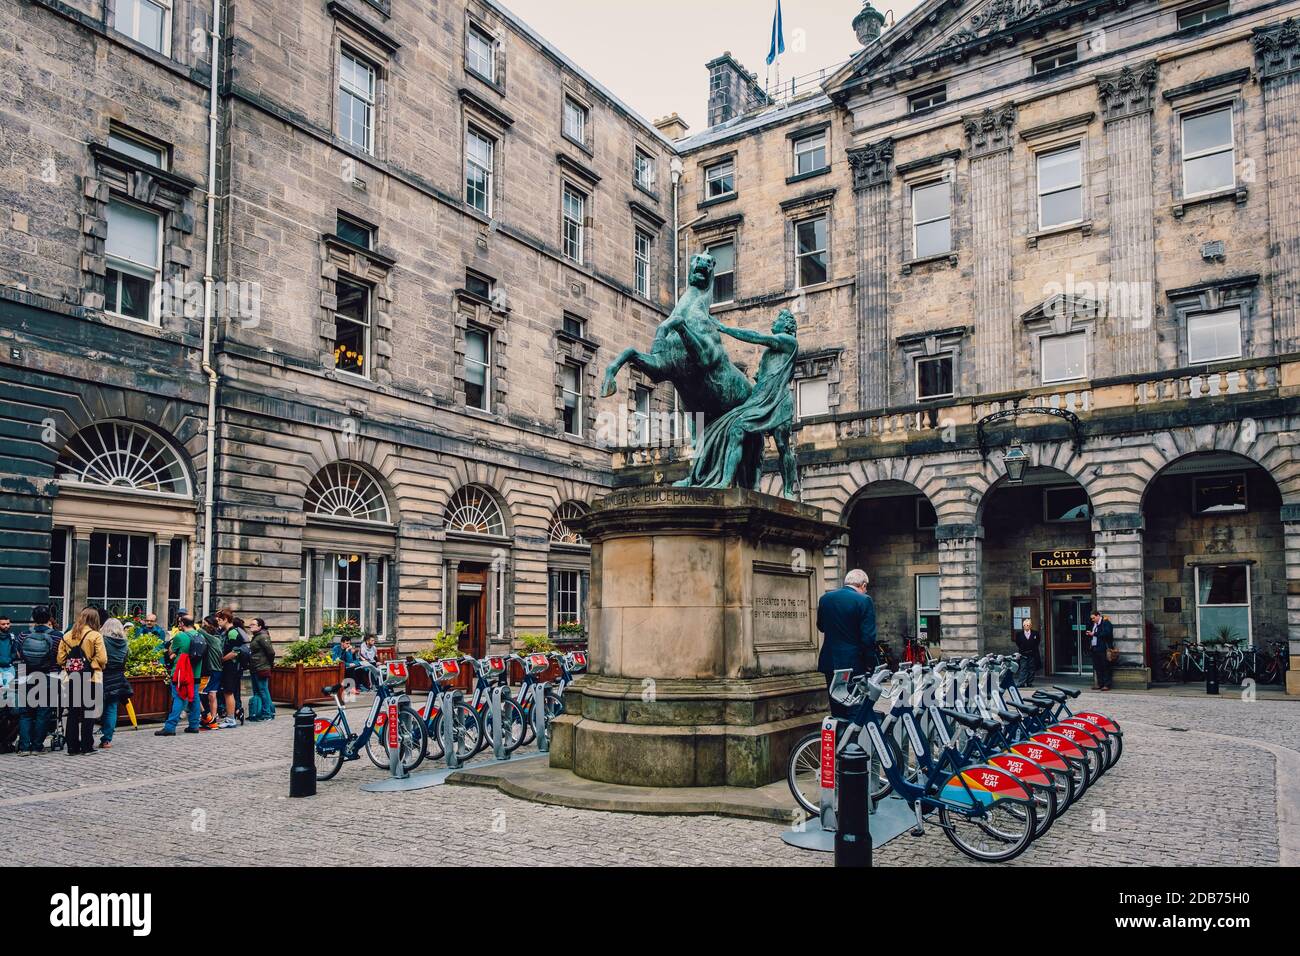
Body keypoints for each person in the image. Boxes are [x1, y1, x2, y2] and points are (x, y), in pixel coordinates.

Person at [816, 569, 878, 718]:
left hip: (830, 662)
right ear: (863, 585)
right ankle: (853, 740)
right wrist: (871, 664)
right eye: (866, 587)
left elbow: (821, 626)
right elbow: (868, 638)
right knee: (855, 707)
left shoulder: (825, 599)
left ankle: (838, 739)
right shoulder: (864, 600)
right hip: (853, 664)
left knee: (837, 708)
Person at [56, 607, 107, 756]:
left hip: (71, 678)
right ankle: (87, 746)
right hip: (91, 678)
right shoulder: (95, 635)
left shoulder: (67, 636)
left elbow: (60, 659)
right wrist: (92, 665)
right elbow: (103, 658)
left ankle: (72, 746)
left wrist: (72, 667)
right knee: (88, 713)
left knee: (72, 712)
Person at [16, 606, 58, 754]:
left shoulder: (23, 635)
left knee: (25, 713)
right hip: (48, 676)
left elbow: (19, 654)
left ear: (33, 618)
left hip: (25, 676)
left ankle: (24, 747)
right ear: (49, 618)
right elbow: (59, 657)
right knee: (43, 712)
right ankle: (37, 746)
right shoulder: (57, 636)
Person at [157, 613, 203, 735]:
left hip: (181, 673)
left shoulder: (180, 636)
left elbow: (171, 651)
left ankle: (170, 727)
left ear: (182, 624)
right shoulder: (200, 636)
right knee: (194, 698)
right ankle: (194, 725)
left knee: (179, 698)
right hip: (196, 673)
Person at [98, 617, 132, 749]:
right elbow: (125, 660)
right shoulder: (124, 642)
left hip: (103, 675)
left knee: (96, 707)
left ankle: (88, 736)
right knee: (112, 708)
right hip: (118, 676)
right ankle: (107, 739)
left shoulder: (103, 640)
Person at [246, 619, 276, 722]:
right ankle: (258, 712)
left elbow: (271, 652)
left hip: (261, 667)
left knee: (263, 690)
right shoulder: (257, 636)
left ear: (260, 627)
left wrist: (269, 664)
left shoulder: (263, 636)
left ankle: (267, 713)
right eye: (251, 624)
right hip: (255, 667)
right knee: (258, 691)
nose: (251, 626)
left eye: (253, 624)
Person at [200, 616, 225, 729]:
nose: (203, 626)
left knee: (199, 693)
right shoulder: (218, 637)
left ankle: (207, 717)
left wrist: (195, 626)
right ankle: (213, 719)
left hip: (213, 670)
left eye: (205, 624)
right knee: (212, 694)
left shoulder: (213, 639)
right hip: (217, 670)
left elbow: (200, 631)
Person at [0, 614, 17, 753]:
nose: (6, 626)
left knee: (9, 702)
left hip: (9, 668)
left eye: (7, 623)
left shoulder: (12, 637)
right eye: (3, 624)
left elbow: (14, 651)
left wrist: (10, 659)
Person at [1087, 610, 1115, 691]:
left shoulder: (1106, 623)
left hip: (1103, 648)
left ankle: (1107, 685)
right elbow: (1094, 634)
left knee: (1105, 666)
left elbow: (1107, 633)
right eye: (1092, 618)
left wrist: (1094, 634)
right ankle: (1100, 684)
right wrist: (1089, 634)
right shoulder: (1094, 624)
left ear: (1098, 615)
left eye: (1093, 618)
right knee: (1097, 667)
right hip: (1095, 648)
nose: (1093, 620)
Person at [1014, 619, 1042, 687]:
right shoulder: (1019, 634)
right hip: (1023, 653)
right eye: (1025, 625)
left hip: (1032, 653)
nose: (1026, 626)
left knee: (1031, 668)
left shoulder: (1035, 633)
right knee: (1023, 668)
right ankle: (1021, 683)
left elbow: (1037, 642)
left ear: (1030, 626)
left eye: (1028, 625)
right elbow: (1018, 643)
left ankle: (1029, 682)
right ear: (1023, 626)